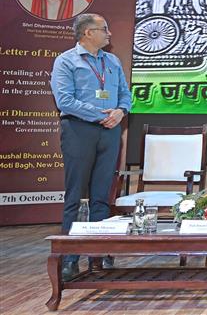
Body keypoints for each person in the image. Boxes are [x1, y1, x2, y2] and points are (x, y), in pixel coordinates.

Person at [50, 14, 131, 281]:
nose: (109, 34)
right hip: (79, 131)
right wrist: (100, 115)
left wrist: (120, 112)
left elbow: (124, 94)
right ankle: (69, 258)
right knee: (75, 196)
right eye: (104, 29)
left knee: (101, 196)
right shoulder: (66, 61)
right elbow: (65, 101)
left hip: (109, 131)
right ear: (87, 33)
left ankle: (99, 253)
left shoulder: (112, 61)